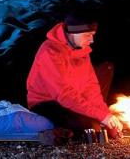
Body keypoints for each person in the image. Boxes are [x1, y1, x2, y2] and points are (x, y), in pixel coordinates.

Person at [27, 11, 123, 142]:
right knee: (87, 129)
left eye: (93, 35)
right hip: (46, 102)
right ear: (73, 32)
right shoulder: (50, 51)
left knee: (98, 128)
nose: (92, 40)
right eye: (88, 35)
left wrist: (107, 116)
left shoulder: (83, 52)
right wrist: (101, 116)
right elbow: (64, 94)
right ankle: (49, 134)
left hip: (71, 101)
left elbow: (91, 90)